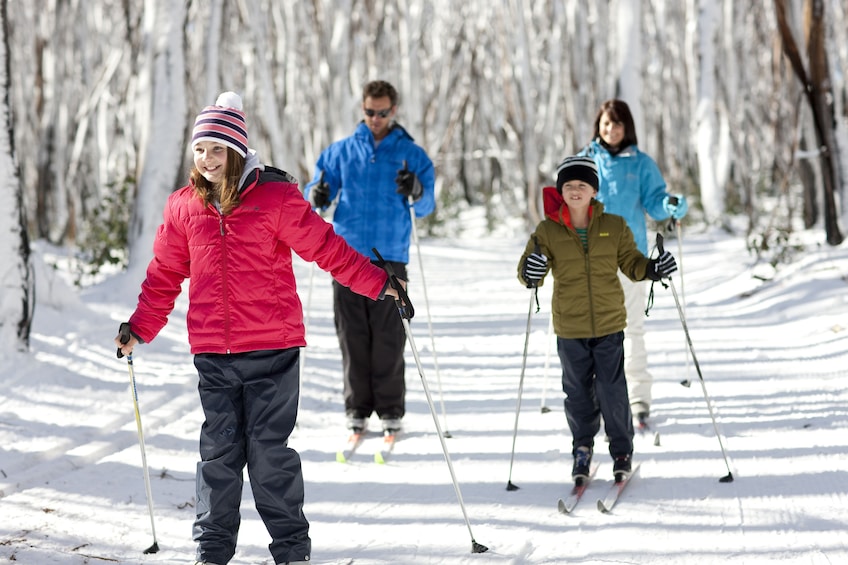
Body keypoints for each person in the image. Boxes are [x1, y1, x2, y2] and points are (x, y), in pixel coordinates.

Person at [114, 92, 404, 565]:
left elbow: (327, 249)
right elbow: (165, 274)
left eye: (216, 149)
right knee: (219, 454)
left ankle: (291, 550)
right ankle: (211, 549)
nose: (207, 159)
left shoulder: (276, 198)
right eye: (200, 150)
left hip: (273, 349)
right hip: (213, 353)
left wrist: (380, 285)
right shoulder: (183, 207)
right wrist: (140, 327)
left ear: (237, 151)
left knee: (268, 454)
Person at [517, 156, 678, 483]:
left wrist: (653, 268)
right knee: (576, 393)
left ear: (594, 190)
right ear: (561, 190)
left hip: (608, 324)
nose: (575, 191)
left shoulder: (614, 226)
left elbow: (632, 263)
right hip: (570, 326)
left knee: (612, 390)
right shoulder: (548, 230)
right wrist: (530, 272)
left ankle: (621, 449)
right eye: (569, 185)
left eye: (583, 185)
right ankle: (583, 447)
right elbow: (529, 269)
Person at [304, 80, 435, 435]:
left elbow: (426, 206)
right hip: (345, 256)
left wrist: (417, 189)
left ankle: (391, 408)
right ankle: (357, 407)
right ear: (362, 110)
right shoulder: (341, 152)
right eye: (369, 112)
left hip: (390, 255)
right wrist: (317, 192)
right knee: (352, 334)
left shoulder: (411, 155)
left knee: (390, 335)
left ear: (394, 111)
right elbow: (313, 192)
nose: (375, 118)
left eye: (383, 112)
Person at [578, 99, 688, 425]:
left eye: (618, 124)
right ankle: (596, 400)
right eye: (606, 123)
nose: (611, 130)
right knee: (591, 333)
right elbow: (568, 200)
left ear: (628, 128)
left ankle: (638, 398)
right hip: (589, 259)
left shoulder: (641, 164)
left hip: (631, 259)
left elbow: (656, 203)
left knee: (631, 330)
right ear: (598, 125)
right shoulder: (586, 160)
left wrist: (671, 205)